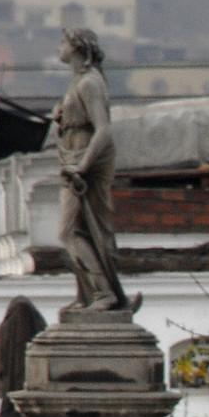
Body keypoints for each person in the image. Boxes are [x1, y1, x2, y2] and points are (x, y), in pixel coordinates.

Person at [50, 28, 128, 313]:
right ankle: (87, 294)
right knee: (78, 231)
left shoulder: (89, 83)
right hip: (73, 157)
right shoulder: (79, 81)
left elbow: (103, 130)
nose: (59, 47)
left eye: (63, 42)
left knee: (71, 231)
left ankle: (103, 292)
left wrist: (82, 166)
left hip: (85, 163)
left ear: (77, 47)